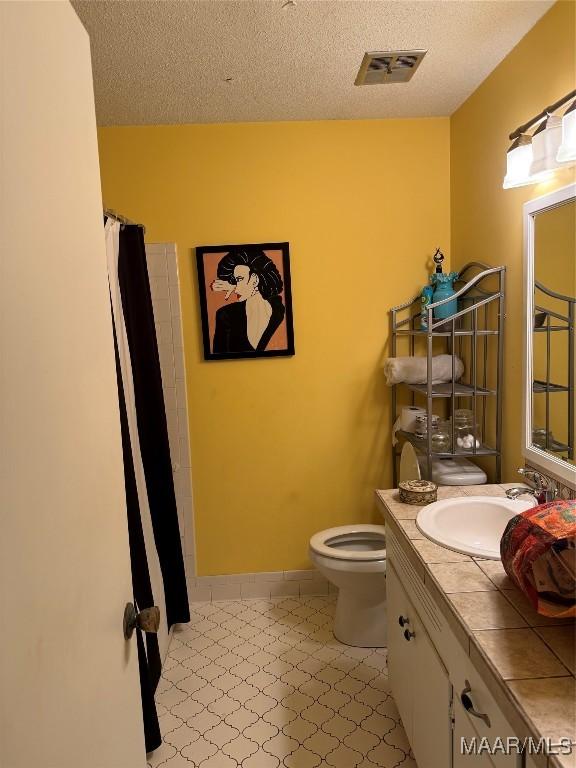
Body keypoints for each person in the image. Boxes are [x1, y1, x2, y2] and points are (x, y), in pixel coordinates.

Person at [211, 247, 285, 354]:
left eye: (239, 279)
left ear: (255, 280)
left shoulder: (279, 311)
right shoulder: (225, 315)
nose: (236, 288)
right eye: (235, 281)